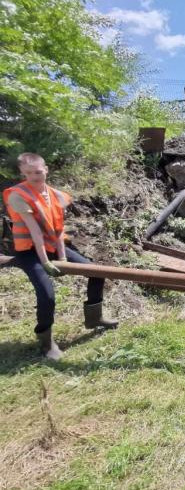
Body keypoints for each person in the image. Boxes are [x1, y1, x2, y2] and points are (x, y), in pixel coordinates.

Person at [2, 153, 117, 360]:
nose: (34, 176)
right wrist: (45, 262)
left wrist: (63, 258)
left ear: (45, 170)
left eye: (38, 172)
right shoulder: (18, 195)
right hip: (29, 250)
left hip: (52, 246)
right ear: (22, 173)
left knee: (96, 272)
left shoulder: (55, 195)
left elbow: (57, 229)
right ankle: (46, 344)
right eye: (28, 173)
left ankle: (95, 318)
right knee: (47, 295)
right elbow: (35, 232)